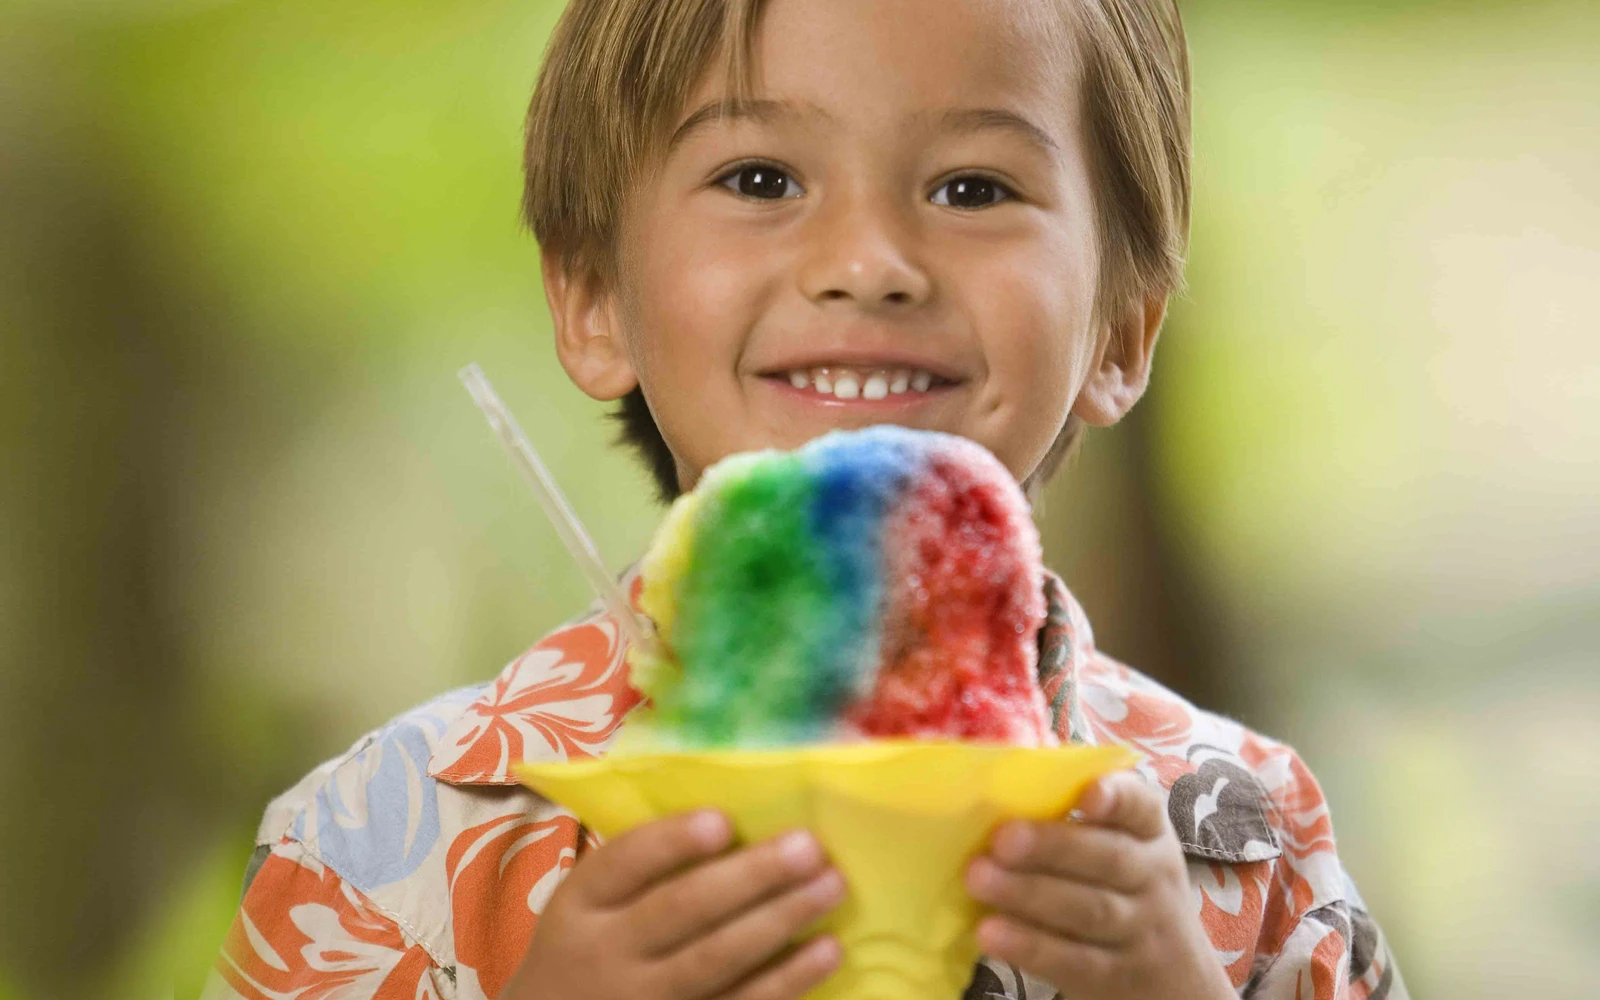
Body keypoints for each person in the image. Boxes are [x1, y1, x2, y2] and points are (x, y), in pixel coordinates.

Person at [203, 0, 1406, 998]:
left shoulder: (1247, 842)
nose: (868, 261)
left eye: (975, 188)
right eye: (761, 175)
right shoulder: (379, 843)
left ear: (1121, 330)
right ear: (591, 300)